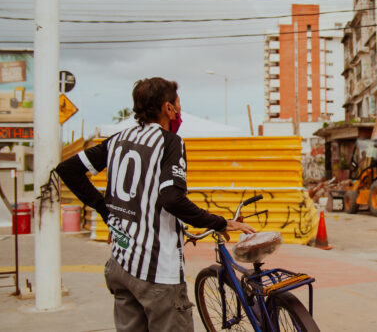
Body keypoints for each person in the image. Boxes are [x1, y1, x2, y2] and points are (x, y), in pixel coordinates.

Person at [55, 77, 254, 332]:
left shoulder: (117, 140)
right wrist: (219, 222)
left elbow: (69, 169)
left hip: (121, 265)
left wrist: (106, 212)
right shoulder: (170, 143)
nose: (180, 111)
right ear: (168, 108)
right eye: (178, 105)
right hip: (157, 272)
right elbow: (171, 198)